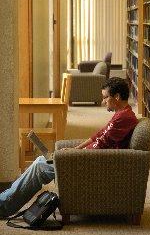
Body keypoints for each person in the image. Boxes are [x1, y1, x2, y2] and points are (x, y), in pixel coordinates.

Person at [0, 77, 138, 218]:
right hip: (93, 158)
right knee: (41, 160)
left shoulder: (124, 118)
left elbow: (100, 144)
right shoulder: (121, 114)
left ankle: (3, 206)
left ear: (117, 96)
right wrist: (76, 149)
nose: (103, 102)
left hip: (99, 163)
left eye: (105, 97)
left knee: (39, 167)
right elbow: (98, 136)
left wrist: (72, 156)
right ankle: (4, 198)